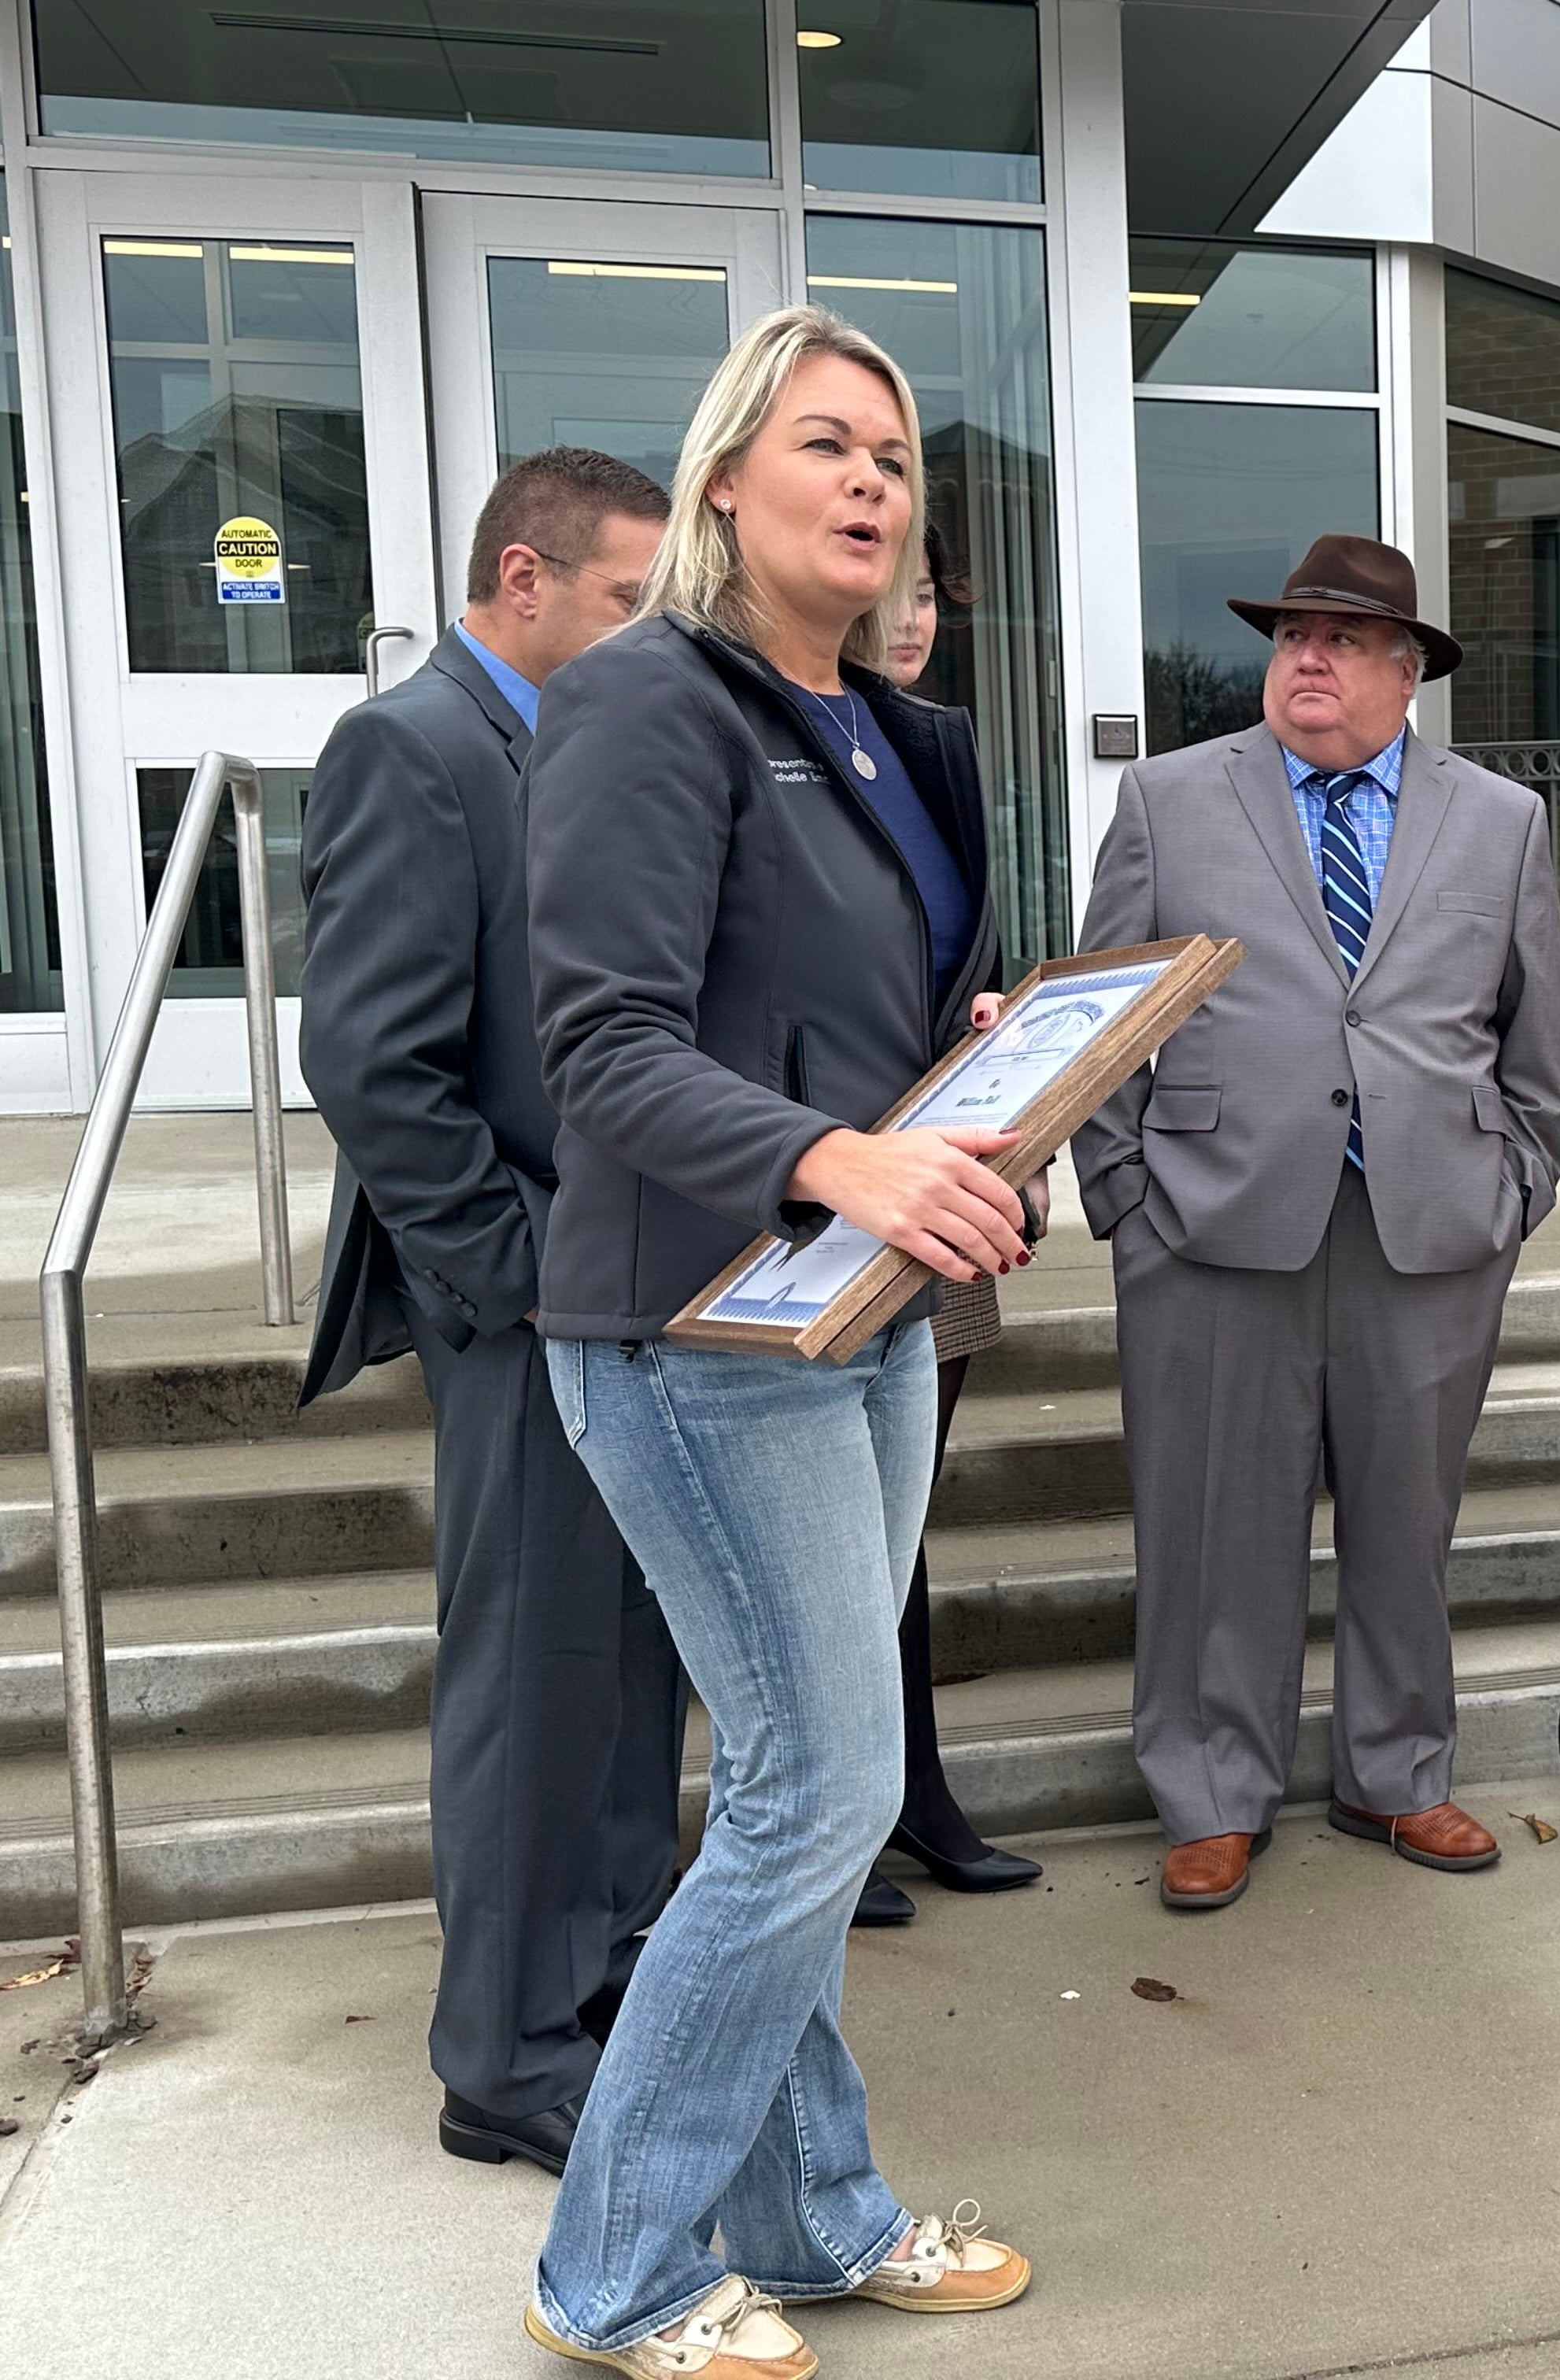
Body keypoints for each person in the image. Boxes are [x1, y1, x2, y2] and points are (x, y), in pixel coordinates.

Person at [519, 307, 1033, 2374]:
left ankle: (814, 2216)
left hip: (862, 1312)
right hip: (686, 1324)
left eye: (897, 459)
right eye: (827, 445)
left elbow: (841, 1012)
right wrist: (845, 1154)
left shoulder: (898, 734)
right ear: (728, 476)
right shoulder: (653, 704)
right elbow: (604, 1047)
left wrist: (969, 1063)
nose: (872, 485)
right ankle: (618, 2272)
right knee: (822, 1790)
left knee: (804, 1789)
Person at [1071, 532, 1560, 1915]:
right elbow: (1100, 1023)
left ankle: (1397, 1774)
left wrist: (1516, 1185)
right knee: (1212, 1522)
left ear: (1408, 674)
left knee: (1408, 1522)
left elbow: (1534, 1040)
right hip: (1210, 1222)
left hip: (1431, 1228)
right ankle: (1210, 1794)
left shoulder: (1500, 819)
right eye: (1294, 635)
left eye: (1345, 641)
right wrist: (1126, 1203)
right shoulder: (1173, 800)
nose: (1308, 658)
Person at [298, 447, 675, 2178]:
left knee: (617, 1673)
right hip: (525, 1311)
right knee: (533, 1680)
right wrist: (519, 1285)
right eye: (621, 600)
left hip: (628, 1300)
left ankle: (592, 1983)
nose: (640, 632)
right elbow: (377, 1064)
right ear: (524, 582)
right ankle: (504, 2058)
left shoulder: (583, 743)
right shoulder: (419, 747)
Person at [855, 519, 1044, 1931]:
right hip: (814, 1196)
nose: (912, 614)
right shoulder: (760, 736)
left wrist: (988, 1034)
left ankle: (914, 1793)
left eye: (929, 592)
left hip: (939, 1190)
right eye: (894, 590)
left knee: (900, 1521)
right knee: (831, 1539)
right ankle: (840, 1816)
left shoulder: (935, 749)